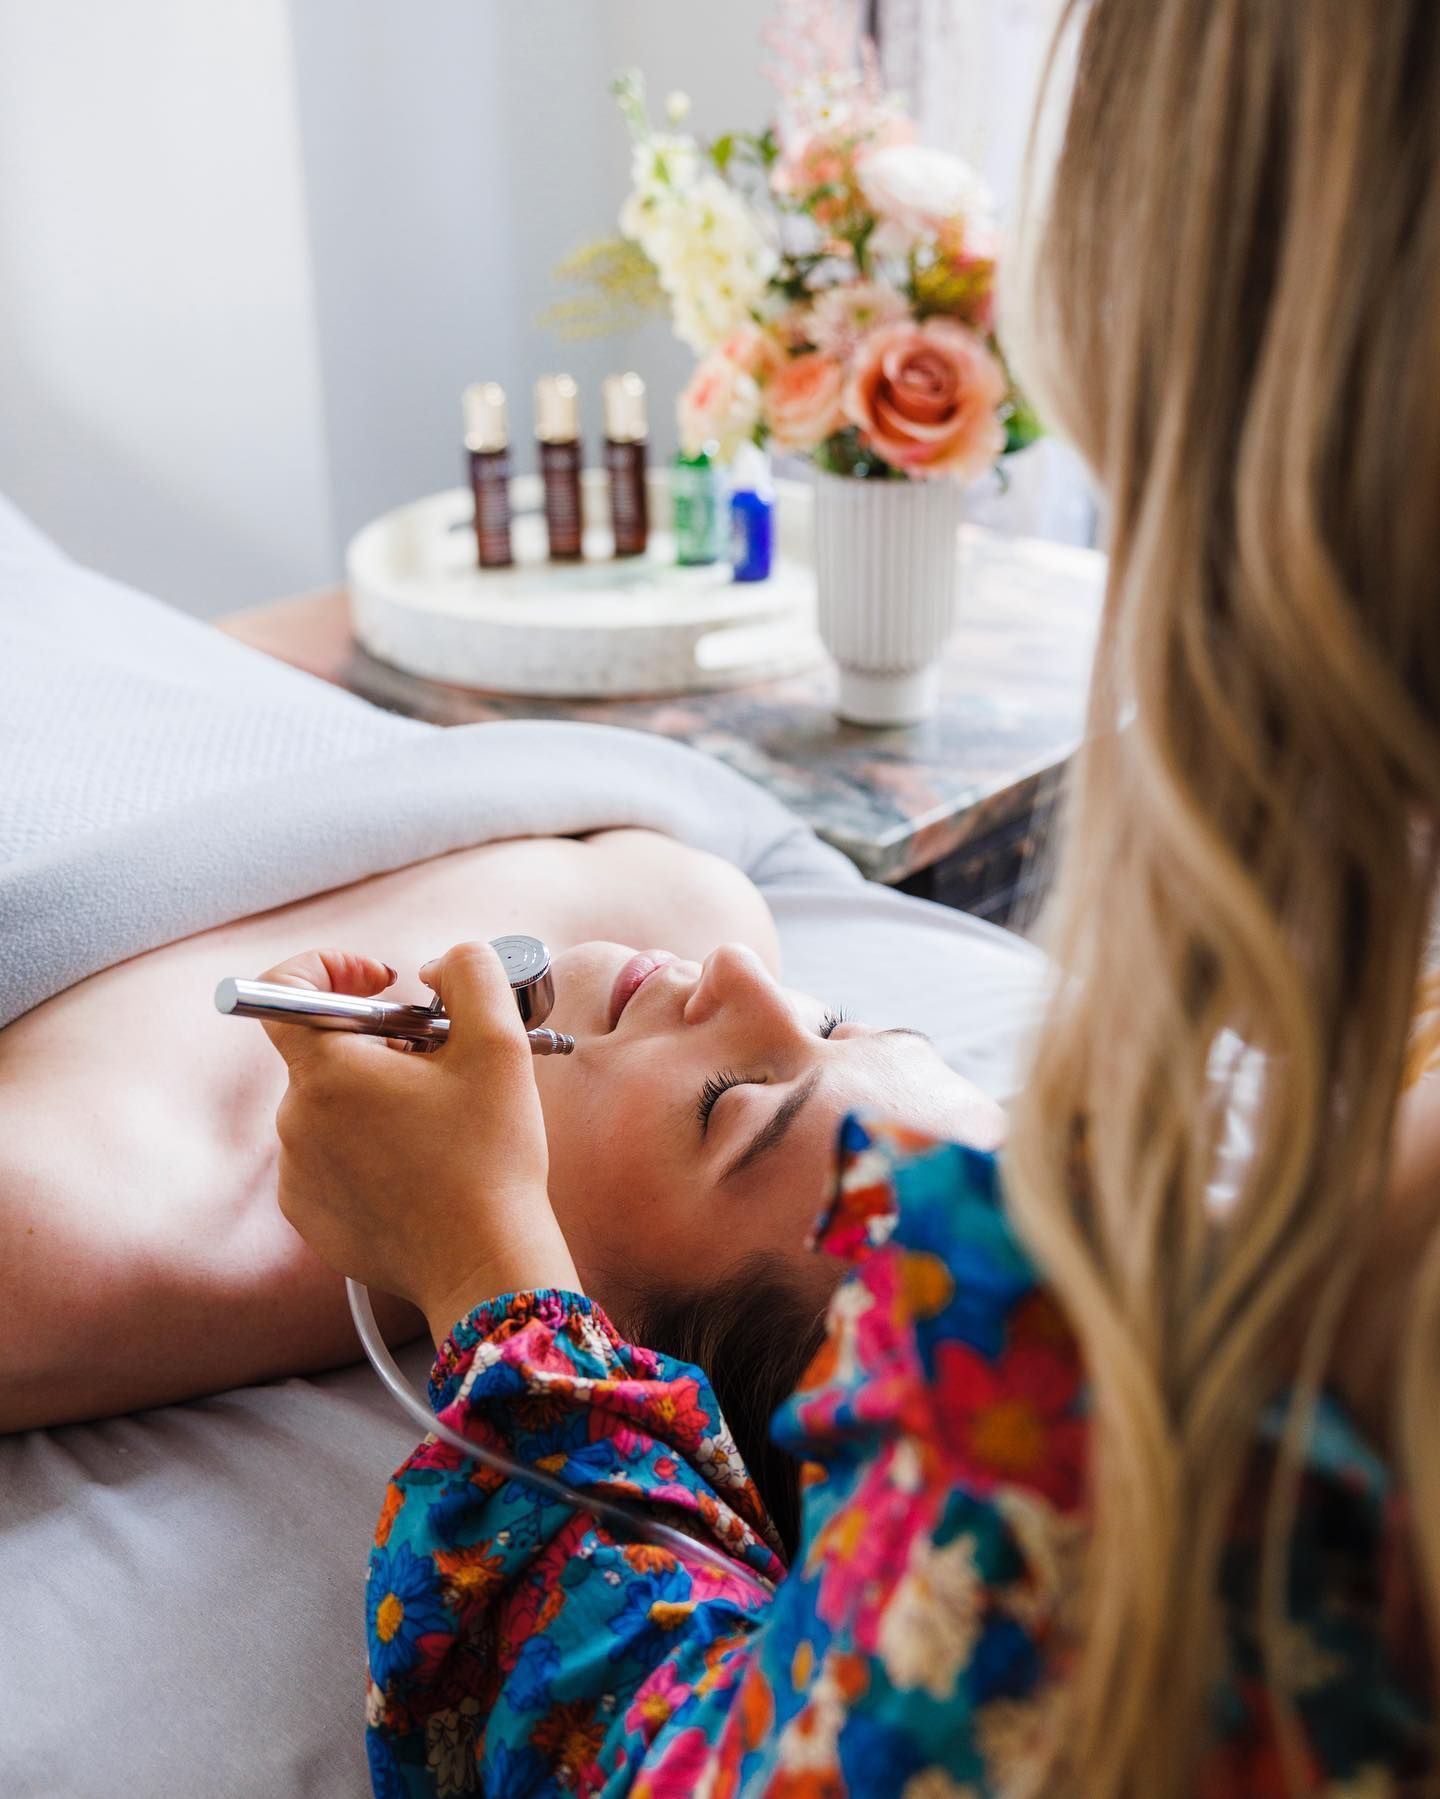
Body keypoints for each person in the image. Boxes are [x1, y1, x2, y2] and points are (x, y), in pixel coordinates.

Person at [257, 0, 1440, 1791]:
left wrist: (482, 1269)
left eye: (754, 1097)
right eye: (840, 1025)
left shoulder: (1140, 1418)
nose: (745, 965)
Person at [0, 826, 1000, 1447]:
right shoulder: (687, 907)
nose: (739, 970)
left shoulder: (68, 1235)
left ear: (608, 1341)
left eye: (726, 1103)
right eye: (832, 1023)